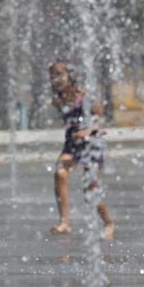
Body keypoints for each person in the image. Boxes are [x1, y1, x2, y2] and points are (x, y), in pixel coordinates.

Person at [49, 61, 114, 241]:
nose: (55, 78)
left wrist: (88, 130)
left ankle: (108, 222)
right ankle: (64, 222)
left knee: (90, 192)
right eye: (52, 75)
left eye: (58, 74)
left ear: (69, 75)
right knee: (60, 173)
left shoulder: (82, 93)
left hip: (91, 142)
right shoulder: (58, 97)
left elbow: (99, 117)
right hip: (72, 141)